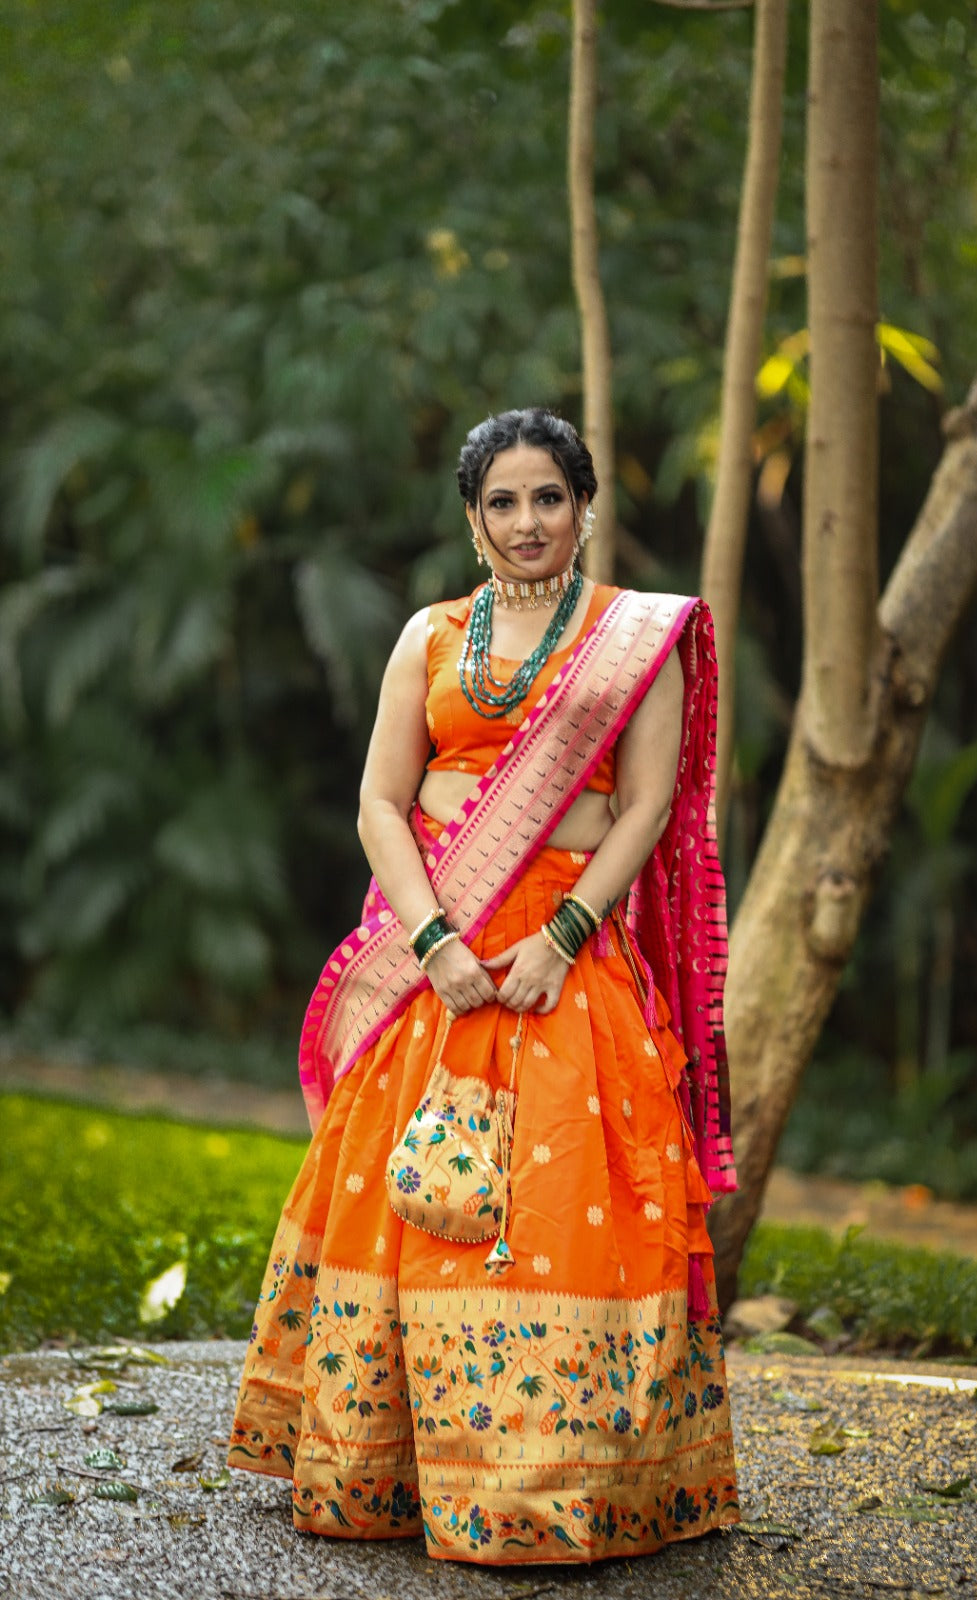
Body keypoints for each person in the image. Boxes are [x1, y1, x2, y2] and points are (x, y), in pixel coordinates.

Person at [228, 407, 739, 1564]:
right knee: (408, 1205)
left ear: (584, 505)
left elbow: (649, 806)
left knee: (563, 1204)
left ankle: (554, 1483)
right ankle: (389, 1469)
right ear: (472, 519)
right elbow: (379, 802)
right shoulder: (429, 635)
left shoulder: (636, 637)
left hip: (564, 958)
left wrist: (560, 936)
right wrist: (433, 941)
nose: (526, 521)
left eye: (547, 497)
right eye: (501, 502)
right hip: (439, 958)